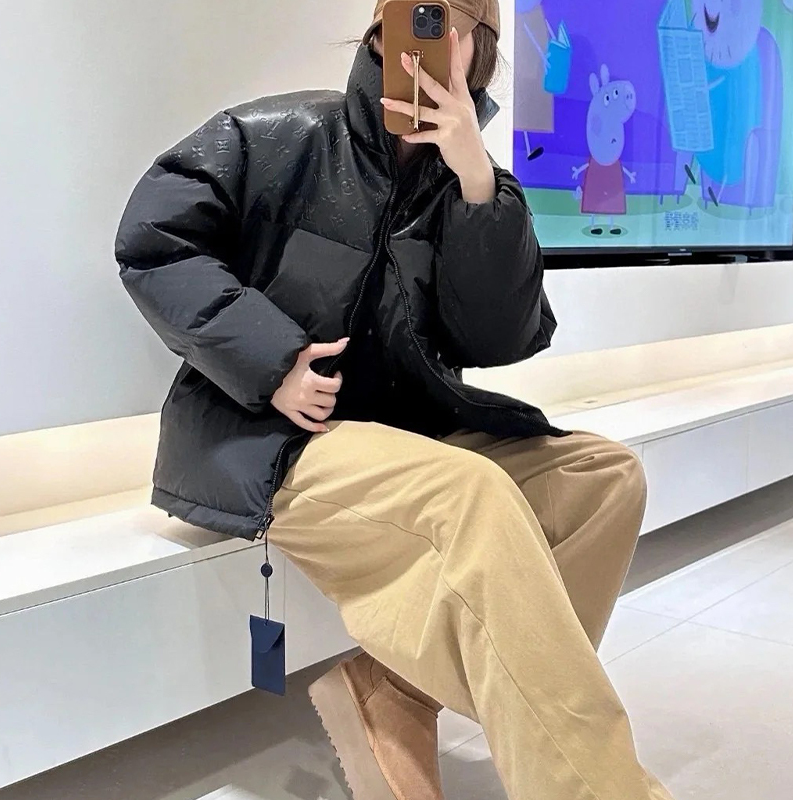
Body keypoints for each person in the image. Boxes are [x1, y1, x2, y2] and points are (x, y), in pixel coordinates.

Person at [115, 2, 675, 799]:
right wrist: (272, 362)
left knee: (603, 477)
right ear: (380, 29)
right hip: (267, 437)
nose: (425, 39)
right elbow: (154, 241)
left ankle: (397, 692)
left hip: (405, 434)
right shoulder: (280, 135)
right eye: (413, 16)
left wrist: (477, 184)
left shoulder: (468, 181)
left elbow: (500, 337)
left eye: (449, 22)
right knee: (473, 493)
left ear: (481, 48)